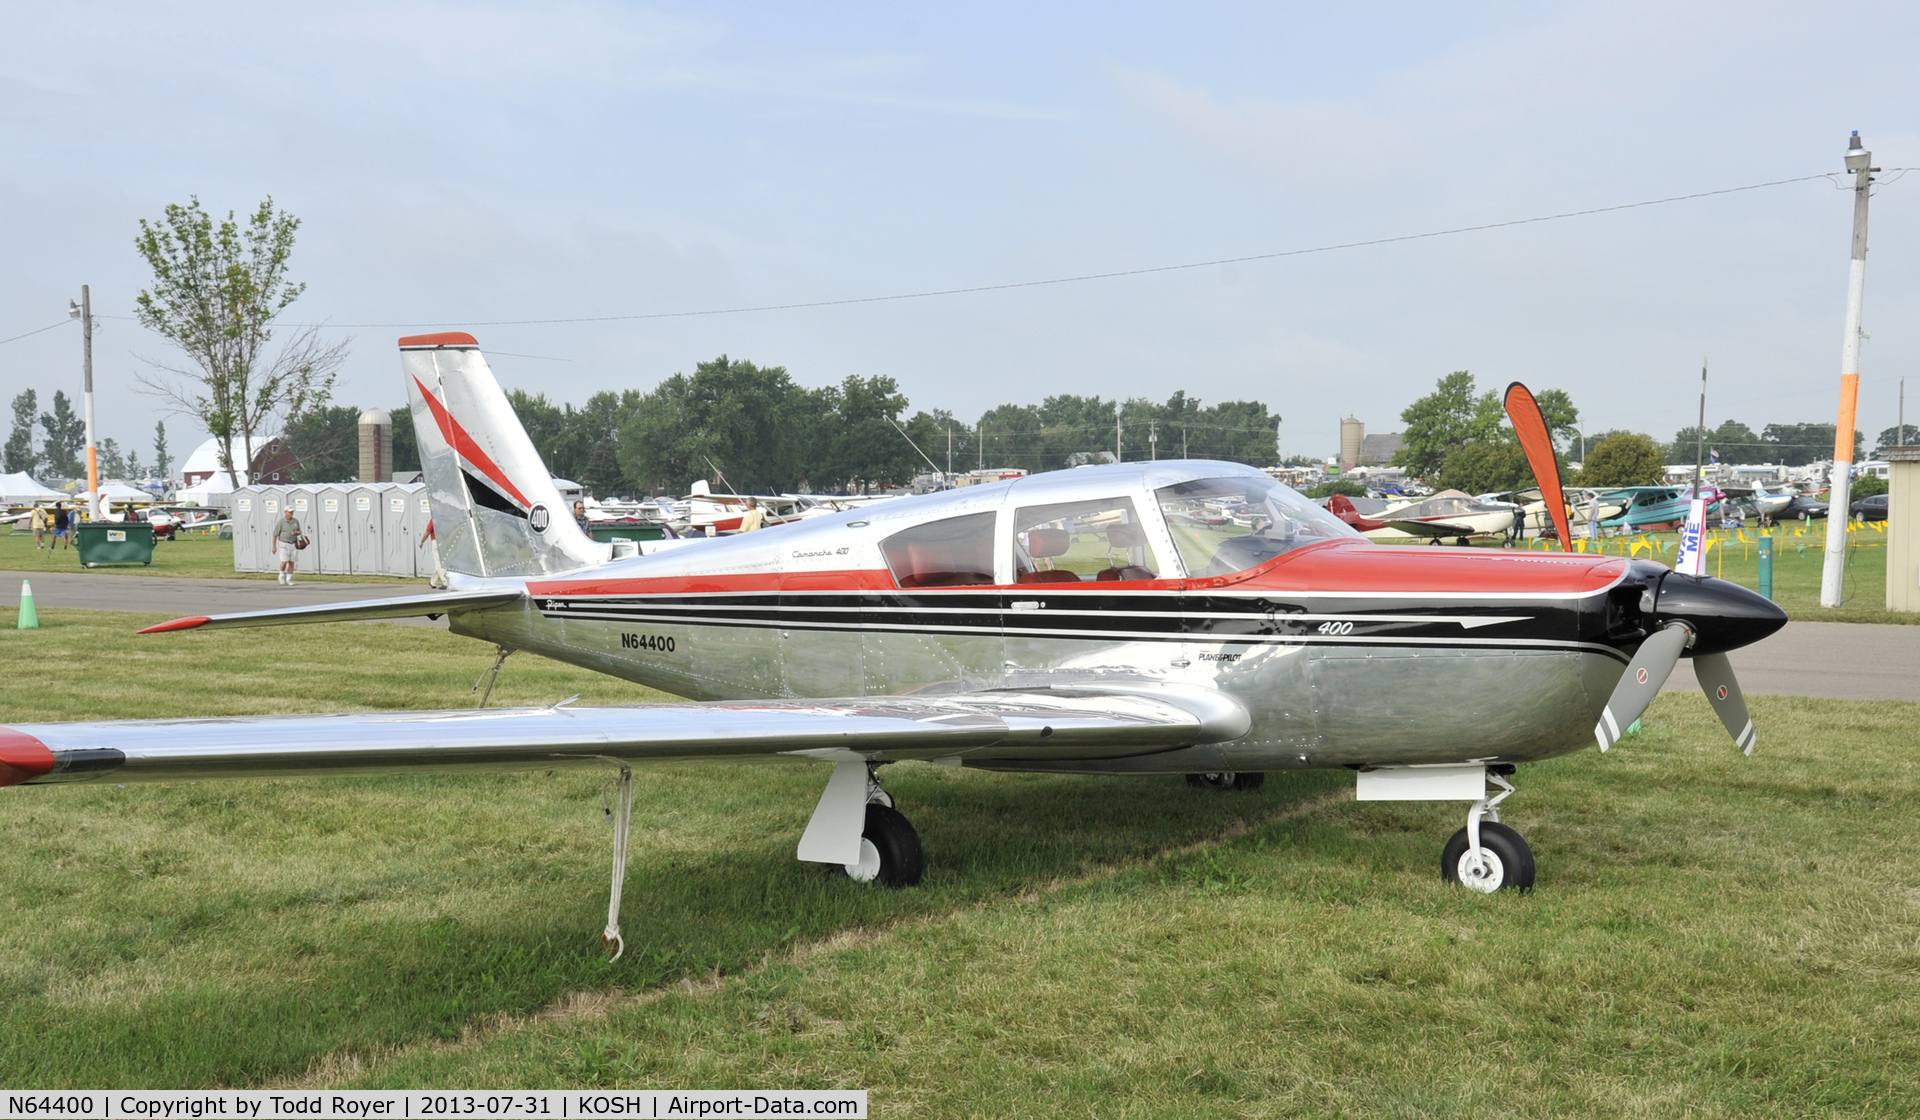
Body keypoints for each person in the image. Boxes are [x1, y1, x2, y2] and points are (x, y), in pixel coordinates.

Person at [272, 507, 304, 584]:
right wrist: (274, 546)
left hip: (293, 543)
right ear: (285, 512)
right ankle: (281, 575)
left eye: (292, 512)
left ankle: (289, 579)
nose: (291, 513)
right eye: (289, 512)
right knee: (284, 561)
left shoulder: (295, 521)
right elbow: (275, 535)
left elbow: (300, 531)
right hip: (283, 543)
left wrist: (296, 533)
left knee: (291, 562)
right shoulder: (281, 522)